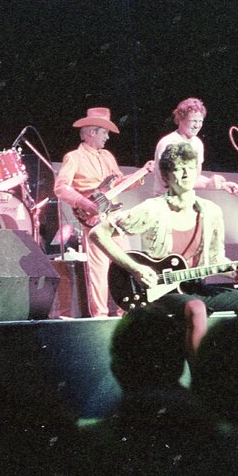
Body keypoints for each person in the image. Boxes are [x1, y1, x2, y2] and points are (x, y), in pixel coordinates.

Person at [91, 142, 238, 359]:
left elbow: (215, 259)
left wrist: (237, 271)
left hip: (194, 287)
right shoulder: (152, 208)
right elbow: (98, 233)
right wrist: (135, 268)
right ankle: (202, 379)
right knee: (196, 308)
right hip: (159, 291)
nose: (185, 174)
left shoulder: (211, 212)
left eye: (190, 167)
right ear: (166, 176)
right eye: (178, 168)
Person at [54, 107, 149, 318]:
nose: (107, 137)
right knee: (98, 270)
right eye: (104, 132)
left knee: (125, 263)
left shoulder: (108, 156)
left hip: (112, 218)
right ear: (91, 133)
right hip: (93, 219)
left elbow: (118, 183)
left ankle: (125, 311)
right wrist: (83, 202)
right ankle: (100, 316)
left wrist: (141, 174)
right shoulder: (74, 157)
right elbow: (61, 188)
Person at [151, 97, 238, 195]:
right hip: (165, 200)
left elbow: (194, 178)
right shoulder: (166, 143)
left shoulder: (197, 143)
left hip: (186, 199)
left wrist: (221, 185)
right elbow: (169, 182)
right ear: (181, 118)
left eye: (200, 121)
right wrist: (208, 184)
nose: (197, 125)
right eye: (194, 121)